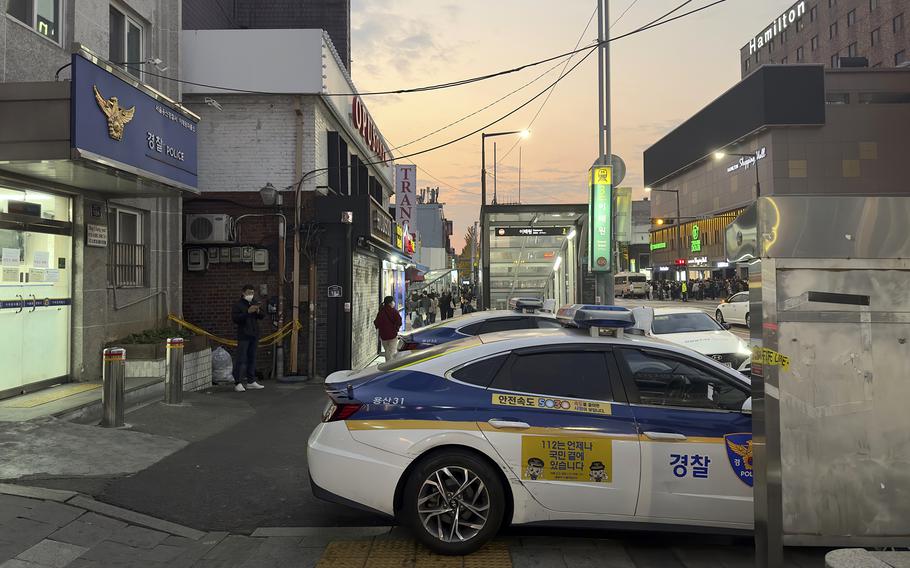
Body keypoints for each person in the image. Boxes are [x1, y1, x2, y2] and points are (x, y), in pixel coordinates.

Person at [231, 284, 265, 392]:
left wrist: (258, 311)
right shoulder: (238, 305)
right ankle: (238, 382)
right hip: (244, 335)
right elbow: (236, 319)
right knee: (241, 359)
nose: (251, 295)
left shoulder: (254, 302)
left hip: (254, 334)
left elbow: (262, 316)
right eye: (249, 292)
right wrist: (247, 312)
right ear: (243, 293)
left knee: (252, 358)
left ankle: (251, 381)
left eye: (252, 293)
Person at [373, 296, 402, 361]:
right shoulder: (394, 311)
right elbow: (399, 322)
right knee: (391, 352)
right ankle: (389, 367)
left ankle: (387, 365)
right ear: (390, 303)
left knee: (387, 351)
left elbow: (376, 323)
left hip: (383, 336)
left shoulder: (381, 312)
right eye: (393, 301)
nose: (394, 303)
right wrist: (396, 328)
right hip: (392, 335)